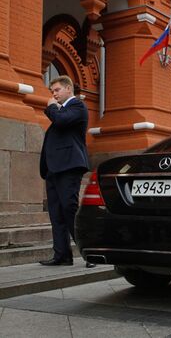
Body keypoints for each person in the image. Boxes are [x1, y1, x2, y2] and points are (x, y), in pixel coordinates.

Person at [39, 75, 93, 268]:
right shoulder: (63, 111)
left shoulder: (77, 106)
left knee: (69, 209)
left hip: (69, 167)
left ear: (68, 89)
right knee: (56, 214)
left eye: (56, 90)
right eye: (52, 92)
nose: (54, 94)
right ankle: (62, 255)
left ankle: (89, 254)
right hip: (54, 169)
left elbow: (61, 121)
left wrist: (51, 106)